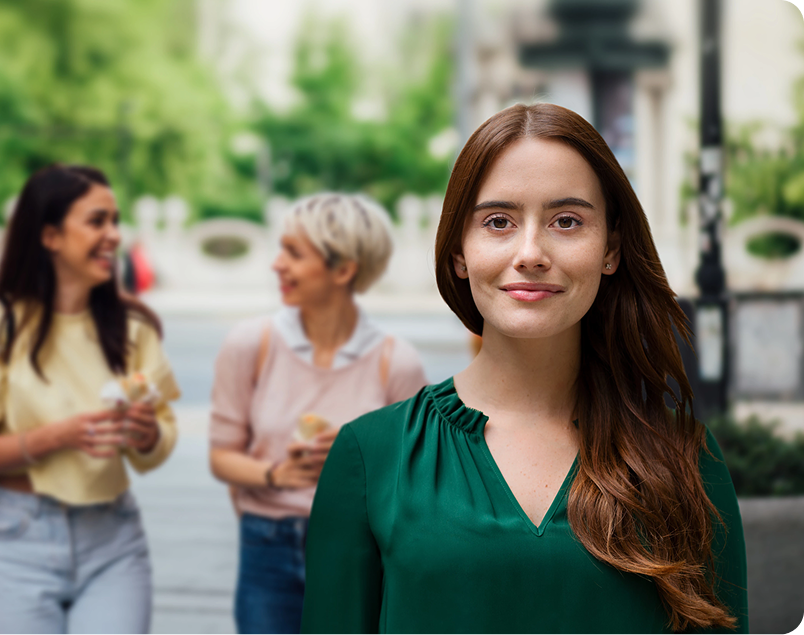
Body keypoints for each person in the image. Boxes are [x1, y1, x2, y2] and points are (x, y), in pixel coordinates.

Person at [301, 104, 748, 634]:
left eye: (567, 221)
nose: (530, 252)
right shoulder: (370, 457)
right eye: (498, 222)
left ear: (611, 248)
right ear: (458, 254)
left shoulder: (685, 456)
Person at [0, 164, 180, 635]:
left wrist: (148, 435)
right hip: (18, 538)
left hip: (114, 536)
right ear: (50, 236)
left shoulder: (135, 327)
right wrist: (58, 436)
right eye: (97, 221)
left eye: (116, 221)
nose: (114, 235)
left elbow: (158, 444)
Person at [209, 192, 428, 635]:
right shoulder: (250, 344)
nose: (276, 265)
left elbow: (415, 482)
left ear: (343, 269)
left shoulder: (396, 363)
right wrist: (277, 475)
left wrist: (361, 461)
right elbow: (221, 457)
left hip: (357, 551)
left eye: (293, 252)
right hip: (266, 544)